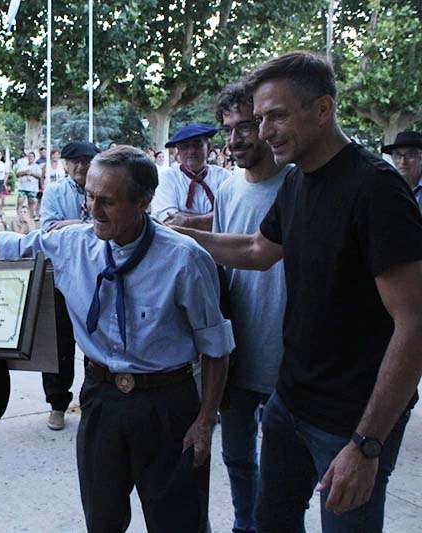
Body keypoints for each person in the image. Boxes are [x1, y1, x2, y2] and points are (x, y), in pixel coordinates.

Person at [0, 145, 234, 532]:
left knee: (179, 521)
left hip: (168, 404)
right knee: (102, 519)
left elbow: (216, 347)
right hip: (101, 401)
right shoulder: (72, 244)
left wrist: (204, 421)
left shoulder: (185, 259)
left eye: (108, 202)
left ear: (143, 202)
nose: (93, 211)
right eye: (90, 197)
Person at [175, 52, 422, 532]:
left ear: (323, 109)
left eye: (277, 116)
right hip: (290, 404)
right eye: (260, 118)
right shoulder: (298, 181)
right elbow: (256, 249)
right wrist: (173, 235)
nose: (264, 131)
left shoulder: (376, 189)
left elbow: (414, 323)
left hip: (351, 421)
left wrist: (367, 443)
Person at [209, 82, 292, 533]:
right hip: (239, 352)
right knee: (237, 457)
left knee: (285, 473)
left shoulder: (297, 183)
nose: (235, 139)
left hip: (289, 356)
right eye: (228, 130)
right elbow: (224, 267)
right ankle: (245, 524)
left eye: (245, 127)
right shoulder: (226, 190)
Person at [38, 141, 100, 430]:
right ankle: (57, 405)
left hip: (96, 274)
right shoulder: (55, 192)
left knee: (96, 338)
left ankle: (92, 402)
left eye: (87, 159)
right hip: (62, 274)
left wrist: (69, 225)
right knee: (59, 341)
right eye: (75, 160)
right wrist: (89, 225)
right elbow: (49, 231)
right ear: (65, 163)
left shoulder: (103, 188)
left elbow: (112, 224)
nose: (82, 165)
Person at [151, 123, 231, 230]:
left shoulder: (224, 177)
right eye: (185, 146)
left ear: (208, 147)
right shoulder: (167, 178)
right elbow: (169, 221)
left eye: (197, 145)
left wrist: (187, 221)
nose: (191, 151)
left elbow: (231, 215)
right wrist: (214, 218)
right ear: (178, 151)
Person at [381, 131, 422, 212]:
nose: (403, 161)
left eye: (410, 155)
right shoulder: (388, 187)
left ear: (420, 157)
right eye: (397, 155)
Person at [15, 151, 41, 220]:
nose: (30, 158)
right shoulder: (23, 165)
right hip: (22, 187)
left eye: (32, 156)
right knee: (20, 201)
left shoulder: (37, 166)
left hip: (32, 188)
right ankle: (19, 218)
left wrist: (32, 173)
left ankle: (30, 219)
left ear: (34, 158)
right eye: (29, 156)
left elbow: (39, 176)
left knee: (31, 203)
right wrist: (25, 172)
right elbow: (17, 174)